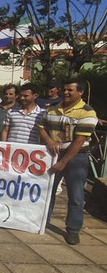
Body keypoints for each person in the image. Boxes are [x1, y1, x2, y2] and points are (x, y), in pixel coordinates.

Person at [39, 78, 97, 245]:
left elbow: (79, 141)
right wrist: (49, 142)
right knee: (47, 191)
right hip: (52, 154)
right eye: (64, 89)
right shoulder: (52, 109)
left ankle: (73, 229)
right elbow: (41, 127)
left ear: (80, 92)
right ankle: (42, 221)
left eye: (70, 90)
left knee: (76, 195)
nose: (66, 93)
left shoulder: (87, 112)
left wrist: (63, 162)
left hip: (76, 157)